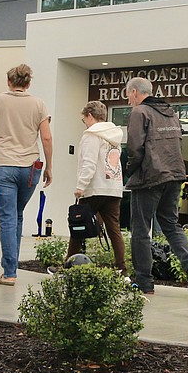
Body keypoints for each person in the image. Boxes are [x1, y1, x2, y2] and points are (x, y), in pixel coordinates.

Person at [124, 77, 188, 294]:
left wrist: (129, 170)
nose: (128, 100)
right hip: (175, 175)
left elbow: (134, 148)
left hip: (150, 178)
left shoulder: (140, 112)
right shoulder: (170, 112)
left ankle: (144, 282)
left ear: (134, 92)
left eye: (128, 95)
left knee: (140, 229)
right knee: (171, 224)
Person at [0, 64, 53, 286]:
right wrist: (49, 166)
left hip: (3, 165)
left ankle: (9, 272)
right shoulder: (39, 104)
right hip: (30, 167)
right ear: (28, 83)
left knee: (8, 218)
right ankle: (11, 267)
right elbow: (47, 138)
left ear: (9, 82)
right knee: (18, 214)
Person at [70, 100, 126, 274]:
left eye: (84, 119)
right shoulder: (115, 136)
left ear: (90, 116)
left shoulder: (91, 135)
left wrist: (81, 186)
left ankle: (69, 263)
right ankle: (121, 268)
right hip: (114, 188)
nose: (85, 123)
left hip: (94, 188)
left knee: (78, 226)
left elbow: (89, 162)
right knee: (114, 228)